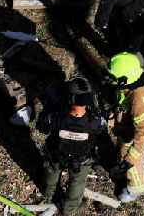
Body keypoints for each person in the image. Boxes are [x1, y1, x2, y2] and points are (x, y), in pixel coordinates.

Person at [41, 77, 105, 215]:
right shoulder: (94, 121)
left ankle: (48, 194)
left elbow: (43, 128)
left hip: (57, 154)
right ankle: (69, 209)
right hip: (81, 159)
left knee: (52, 171)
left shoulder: (56, 117)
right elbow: (99, 131)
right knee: (77, 181)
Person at [104, 52, 144, 203]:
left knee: (134, 169)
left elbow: (142, 132)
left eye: (114, 79)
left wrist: (129, 161)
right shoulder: (129, 85)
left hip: (133, 142)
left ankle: (135, 189)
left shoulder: (139, 100)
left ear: (124, 80)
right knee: (121, 153)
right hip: (124, 131)